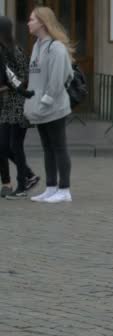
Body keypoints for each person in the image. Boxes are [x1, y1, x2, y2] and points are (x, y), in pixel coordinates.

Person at [24, 7, 74, 203]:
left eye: (31, 20)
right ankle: (51, 187)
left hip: (54, 108)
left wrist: (45, 102)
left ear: (42, 23)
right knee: (47, 148)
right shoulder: (37, 45)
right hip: (39, 109)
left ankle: (64, 190)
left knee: (59, 147)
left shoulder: (56, 48)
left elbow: (56, 80)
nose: (28, 23)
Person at [0, 16, 40, 199]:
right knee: (4, 146)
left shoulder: (15, 51)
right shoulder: (3, 51)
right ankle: (29, 175)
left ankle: (23, 184)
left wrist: (8, 86)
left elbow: (25, 77)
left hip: (18, 105)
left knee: (16, 146)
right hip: (7, 105)